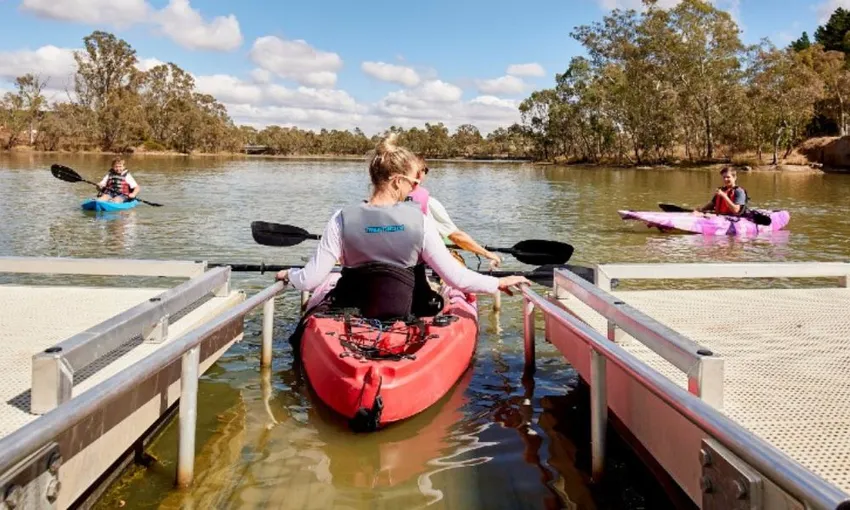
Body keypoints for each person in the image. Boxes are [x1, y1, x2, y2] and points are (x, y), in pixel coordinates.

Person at [274, 134, 529, 322]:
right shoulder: (420, 221)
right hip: (404, 312)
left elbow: (310, 280)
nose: (414, 188)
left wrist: (289, 274)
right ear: (397, 181)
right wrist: (497, 283)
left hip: (350, 312)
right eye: (413, 182)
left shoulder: (340, 218)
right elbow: (456, 278)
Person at [408, 157, 502, 269]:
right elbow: (456, 237)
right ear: (419, 175)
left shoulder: (386, 201)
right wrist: (487, 254)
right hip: (421, 264)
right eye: (425, 171)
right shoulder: (429, 203)